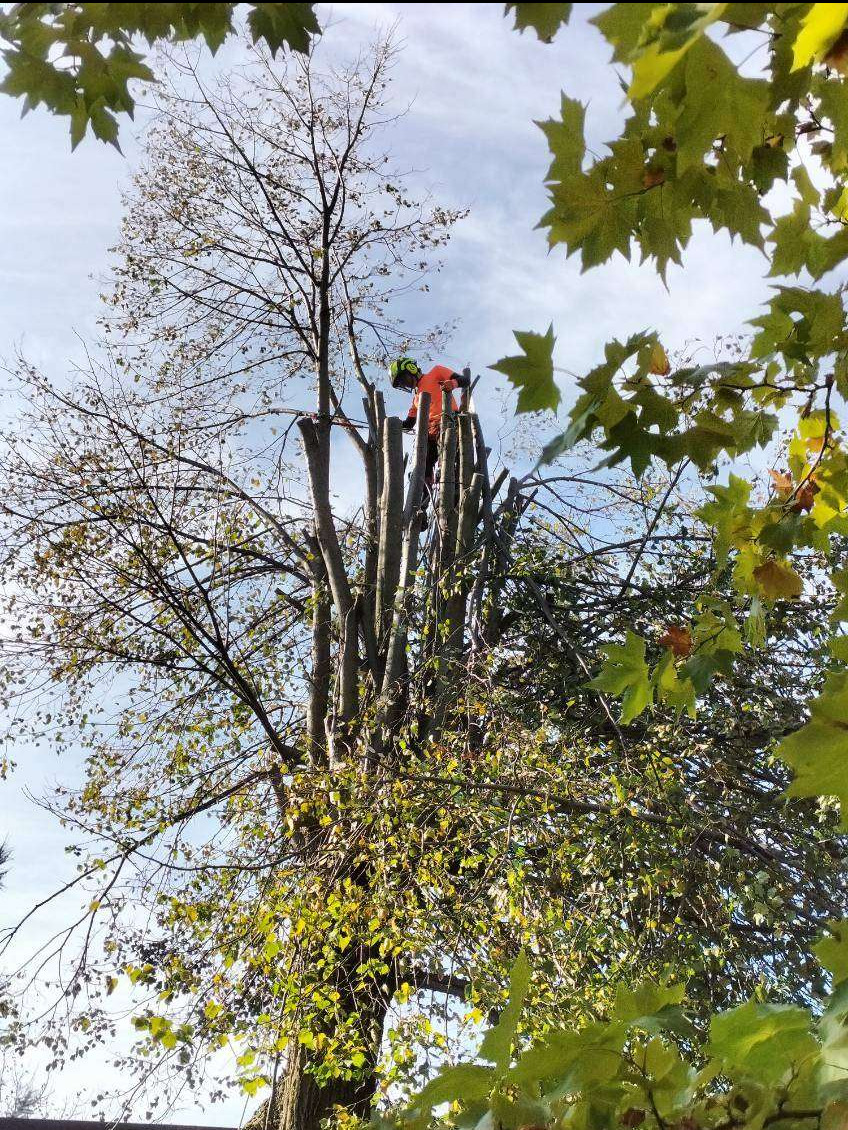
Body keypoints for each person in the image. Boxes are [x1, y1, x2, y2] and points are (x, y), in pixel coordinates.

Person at [389, 357, 471, 489]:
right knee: (424, 461)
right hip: (429, 432)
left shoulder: (436, 372)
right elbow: (409, 423)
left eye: (404, 379)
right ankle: (423, 494)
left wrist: (453, 384)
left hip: (448, 423)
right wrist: (391, 425)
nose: (405, 384)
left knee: (447, 456)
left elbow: (464, 380)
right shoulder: (416, 399)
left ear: (411, 369)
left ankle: (452, 486)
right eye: (402, 383)